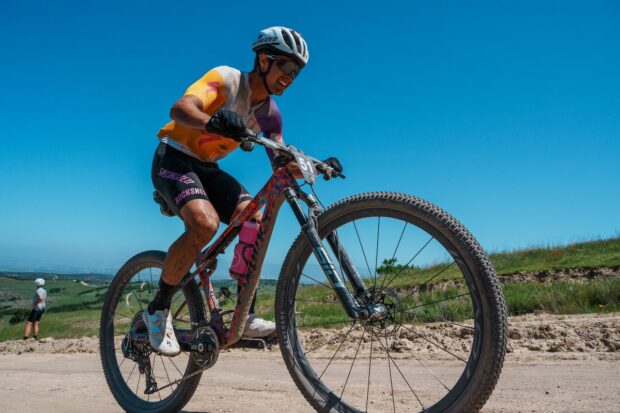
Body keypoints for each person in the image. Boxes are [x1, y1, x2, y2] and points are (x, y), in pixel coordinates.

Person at [143, 26, 342, 356]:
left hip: (208, 169)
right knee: (205, 225)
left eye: (297, 72)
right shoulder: (227, 80)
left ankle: (243, 314)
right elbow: (179, 110)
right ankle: (158, 309)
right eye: (287, 68)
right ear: (264, 60)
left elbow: (281, 163)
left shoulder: (270, 115)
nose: (290, 78)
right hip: (174, 156)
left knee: (254, 219)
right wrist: (215, 121)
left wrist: (317, 165)